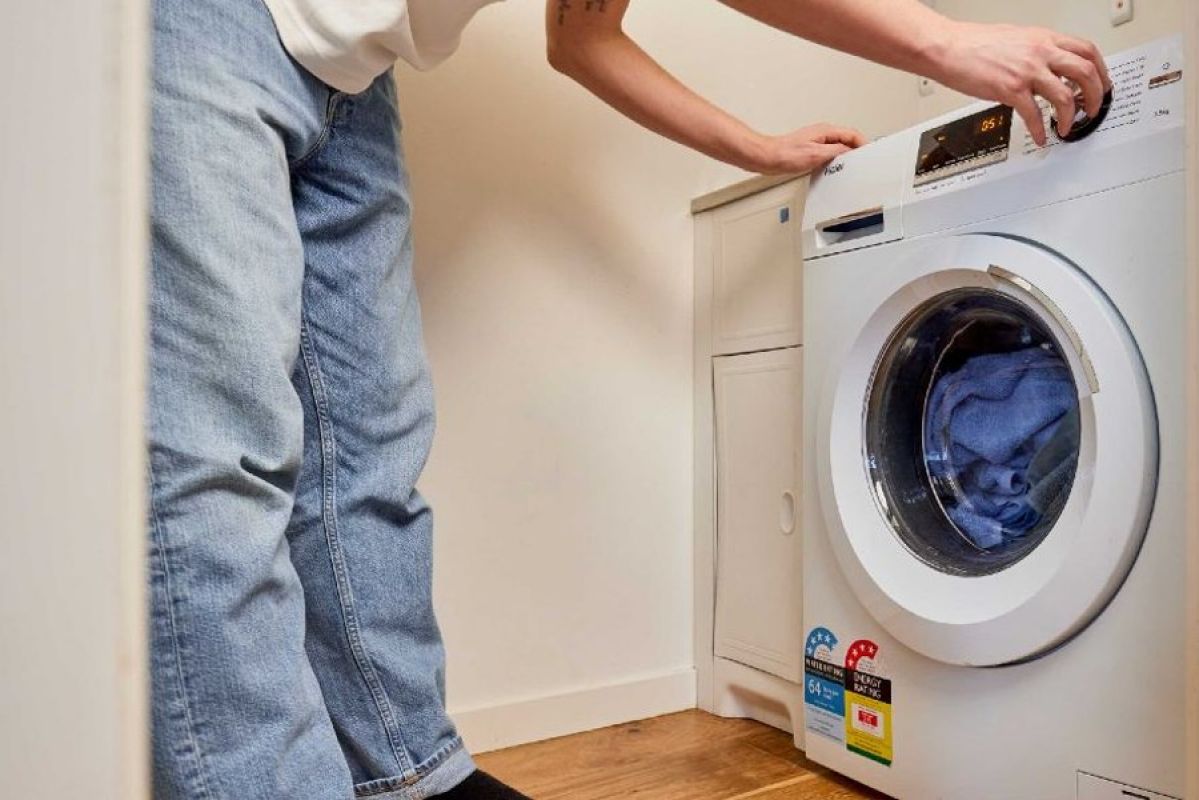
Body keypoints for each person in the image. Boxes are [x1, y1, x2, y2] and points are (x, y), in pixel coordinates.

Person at [147, 1, 1111, 798]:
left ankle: (409, 776)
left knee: (366, 462)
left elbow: (581, 35)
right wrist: (948, 42)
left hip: (352, 79)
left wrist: (755, 145)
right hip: (207, 25)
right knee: (220, 461)